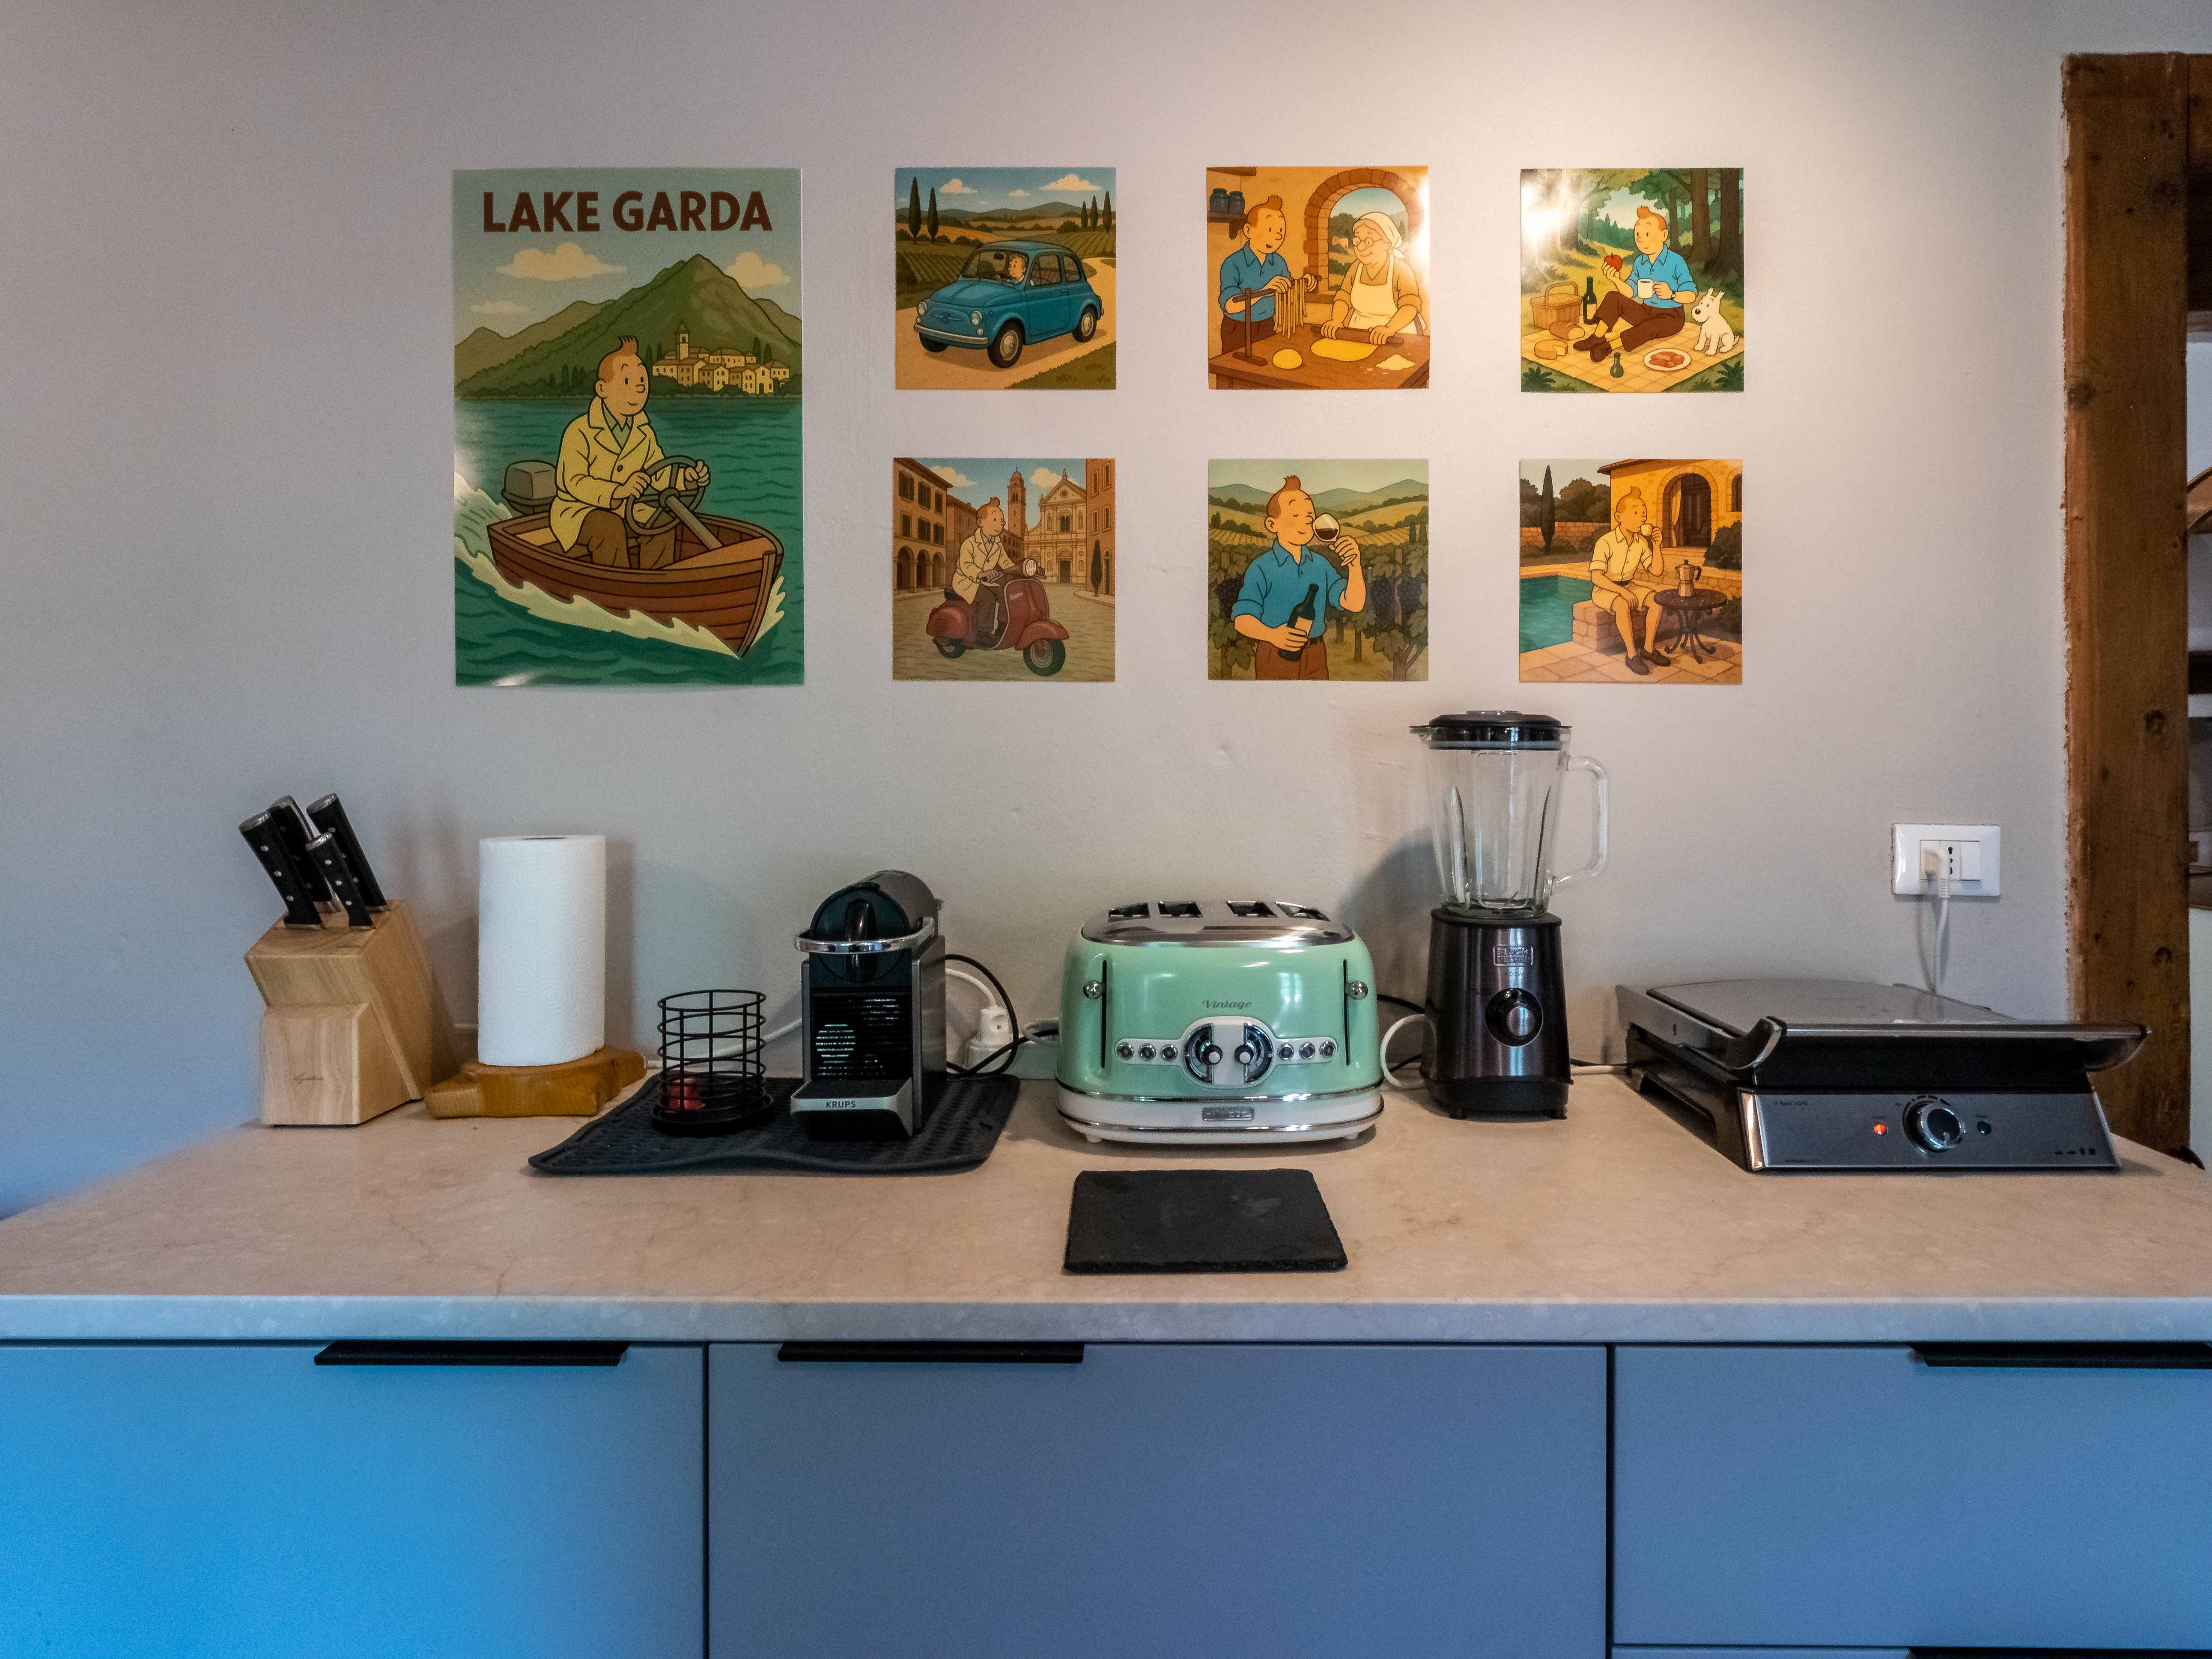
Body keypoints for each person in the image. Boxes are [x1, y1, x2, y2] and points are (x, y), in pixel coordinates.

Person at [551, 335, 707, 569]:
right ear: (602, 389)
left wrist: (687, 479)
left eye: (642, 379)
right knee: (609, 527)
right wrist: (618, 491)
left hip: (628, 509)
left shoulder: (644, 432)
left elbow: (658, 472)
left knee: (663, 522)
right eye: (627, 381)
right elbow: (574, 482)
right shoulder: (579, 431)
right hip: (579, 512)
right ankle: (617, 587)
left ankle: (655, 582)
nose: (640, 387)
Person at [1231, 475, 1366, 680]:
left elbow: (1354, 604)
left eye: (1310, 515)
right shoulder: (1261, 568)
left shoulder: (1321, 565)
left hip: (1316, 655)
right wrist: (1273, 635)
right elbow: (1242, 620)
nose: (1307, 520)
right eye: (1296, 514)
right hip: (1274, 654)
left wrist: (1355, 566)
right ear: (1272, 525)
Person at [1577, 204, 1693, 365]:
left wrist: (1672, 294)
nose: (1640, 238)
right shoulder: (1640, 262)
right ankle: (1597, 337)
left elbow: (1691, 295)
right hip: (1647, 310)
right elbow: (1630, 292)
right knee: (1613, 297)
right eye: (1637, 234)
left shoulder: (1676, 261)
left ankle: (1609, 347)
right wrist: (1617, 280)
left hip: (1672, 316)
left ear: (1664, 235)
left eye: (1647, 234)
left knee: (1648, 327)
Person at [1588, 487, 1672, 675]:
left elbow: (1656, 571)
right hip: (1605, 589)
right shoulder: (1606, 542)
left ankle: (1648, 649)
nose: (1642, 517)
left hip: (1629, 586)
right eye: (1636, 513)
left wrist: (1657, 546)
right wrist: (1622, 592)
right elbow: (1596, 577)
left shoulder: (1641, 542)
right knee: (1622, 605)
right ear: (1619, 517)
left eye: (1644, 513)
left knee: (1656, 601)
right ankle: (1632, 655)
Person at [1217, 196, 1309, 357]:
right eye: (1270, 230)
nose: (1278, 236)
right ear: (1248, 231)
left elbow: (1288, 287)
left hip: (1267, 325)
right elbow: (1230, 305)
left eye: (1281, 231)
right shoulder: (1233, 263)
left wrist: (1305, 283)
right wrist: (1265, 290)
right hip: (1238, 327)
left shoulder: (1279, 261)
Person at [1321, 211, 1425, 344]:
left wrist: (1389, 329)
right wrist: (1337, 320)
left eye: (1369, 241)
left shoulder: (1401, 270)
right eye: (1357, 241)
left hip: (1397, 337)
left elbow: (1410, 305)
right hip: (1359, 334)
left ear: (1388, 243)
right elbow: (1343, 297)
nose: (1361, 247)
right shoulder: (1355, 268)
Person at [952, 497, 1018, 646]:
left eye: (1001, 520)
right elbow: (966, 565)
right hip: (966, 582)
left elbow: (1006, 562)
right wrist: (982, 574)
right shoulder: (969, 543)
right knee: (988, 598)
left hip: (985, 581)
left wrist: (1019, 570)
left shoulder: (997, 544)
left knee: (1005, 594)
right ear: (981, 523)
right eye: (995, 519)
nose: (1001, 523)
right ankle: (983, 634)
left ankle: (1002, 628)